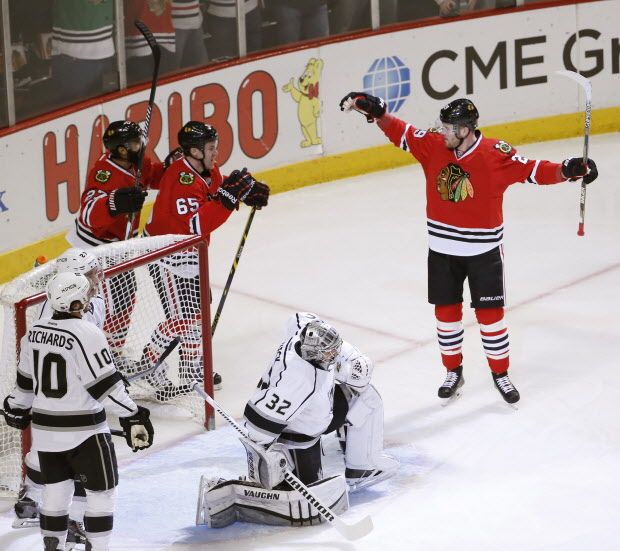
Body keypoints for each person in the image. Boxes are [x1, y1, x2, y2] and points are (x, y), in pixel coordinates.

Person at [339, 92, 599, 405]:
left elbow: (533, 170)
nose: (442, 131)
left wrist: (567, 169)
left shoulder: (495, 154)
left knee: (491, 317)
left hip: (483, 253)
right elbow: (403, 133)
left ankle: (500, 374)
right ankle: (453, 371)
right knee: (446, 315)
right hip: (442, 250)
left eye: (449, 128)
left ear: (466, 130)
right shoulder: (434, 144)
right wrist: (378, 114)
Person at [197, 314, 397, 528]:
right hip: (297, 437)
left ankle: (362, 466)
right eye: (330, 351)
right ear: (313, 354)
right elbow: (255, 428)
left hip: (309, 416)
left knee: (365, 394)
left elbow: (299, 317)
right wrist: (269, 456)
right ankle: (235, 488)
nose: (335, 353)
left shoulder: (300, 338)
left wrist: (353, 356)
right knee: (300, 493)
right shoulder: (298, 382)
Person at [2, 271, 154, 551]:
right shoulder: (87, 333)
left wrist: (14, 407)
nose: (88, 298)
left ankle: (54, 546)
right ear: (75, 302)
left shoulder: (33, 333)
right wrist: (134, 415)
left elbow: (23, 387)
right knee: (102, 495)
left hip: (46, 433)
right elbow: (106, 388)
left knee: (55, 494)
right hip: (86, 434)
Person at [143, 121, 269, 397]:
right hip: (166, 253)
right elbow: (196, 224)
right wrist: (227, 199)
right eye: (211, 148)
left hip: (191, 251)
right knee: (182, 317)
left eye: (216, 147)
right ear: (194, 152)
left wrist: (245, 193)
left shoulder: (207, 170)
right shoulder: (181, 179)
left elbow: (217, 192)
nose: (216, 153)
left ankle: (190, 368)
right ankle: (149, 365)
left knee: (198, 312)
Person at [12, 249, 106, 548]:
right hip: (65, 396)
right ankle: (67, 520)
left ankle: (32, 500)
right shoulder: (54, 310)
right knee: (74, 460)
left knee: (50, 450)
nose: (96, 279)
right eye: (90, 274)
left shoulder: (88, 300)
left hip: (66, 393)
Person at [67, 119, 164, 363]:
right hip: (97, 248)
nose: (141, 146)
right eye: (135, 143)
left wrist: (172, 168)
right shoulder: (105, 172)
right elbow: (87, 213)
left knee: (124, 296)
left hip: (118, 248)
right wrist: (114, 203)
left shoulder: (132, 162)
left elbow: (154, 176)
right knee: (106, 303)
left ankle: (112, 352)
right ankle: (101, 355)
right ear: (121, 149)